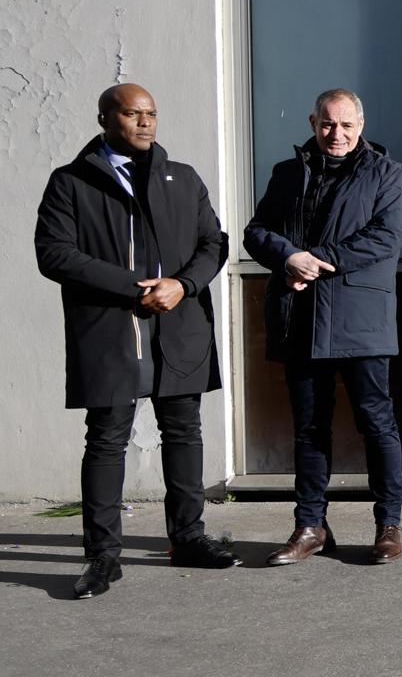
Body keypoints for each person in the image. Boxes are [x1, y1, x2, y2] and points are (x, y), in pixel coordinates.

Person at [33, 83, 238, 598]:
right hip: (109, 330)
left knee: (184, 432)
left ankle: (188, 539)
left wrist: (181, 285)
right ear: (105, 117)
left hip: (179, 324)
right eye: (133, 113)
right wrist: (132, 289)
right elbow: (54, 253)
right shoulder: (72, 182)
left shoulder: (182, 178)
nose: (146, 122)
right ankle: (102, 557)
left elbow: (213, 242)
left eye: (152, 113)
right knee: (106, 440)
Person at [244, 88, 402, 566]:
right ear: (313, 121)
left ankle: (388, 525)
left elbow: (385, 236)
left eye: (346, 125)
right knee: (309, 429)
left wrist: (316, 261)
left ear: (361, 124)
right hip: (300, 320)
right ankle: (311, 526)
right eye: (327, 124)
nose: (336, 134)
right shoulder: (287, 173)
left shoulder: (386, 173)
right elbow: (257, 231)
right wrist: (288, 256)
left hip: (360, 321)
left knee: (376, 423)